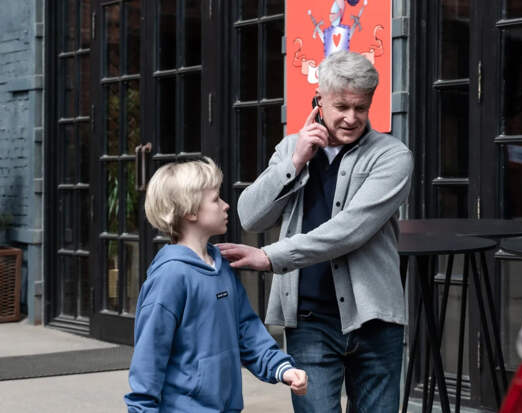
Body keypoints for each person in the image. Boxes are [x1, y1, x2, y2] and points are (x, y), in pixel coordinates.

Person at [217, 51, 413, 412]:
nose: (351, 118)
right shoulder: (292, 148)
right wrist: (295, 162)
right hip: (309, 321)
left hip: (374, 321)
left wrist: (270, 257)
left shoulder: (392, 156)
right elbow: (250, 217)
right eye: (342, 106)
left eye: (361, 107)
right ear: (319, 100)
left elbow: (349, 230)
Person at [124, 159, 307, 412]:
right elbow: (149, 357)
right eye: (215, 199)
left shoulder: (221, 266)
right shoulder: (170, 276)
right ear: (190, 212)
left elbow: (246, 329)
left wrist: (280, 367)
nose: (225, 205)